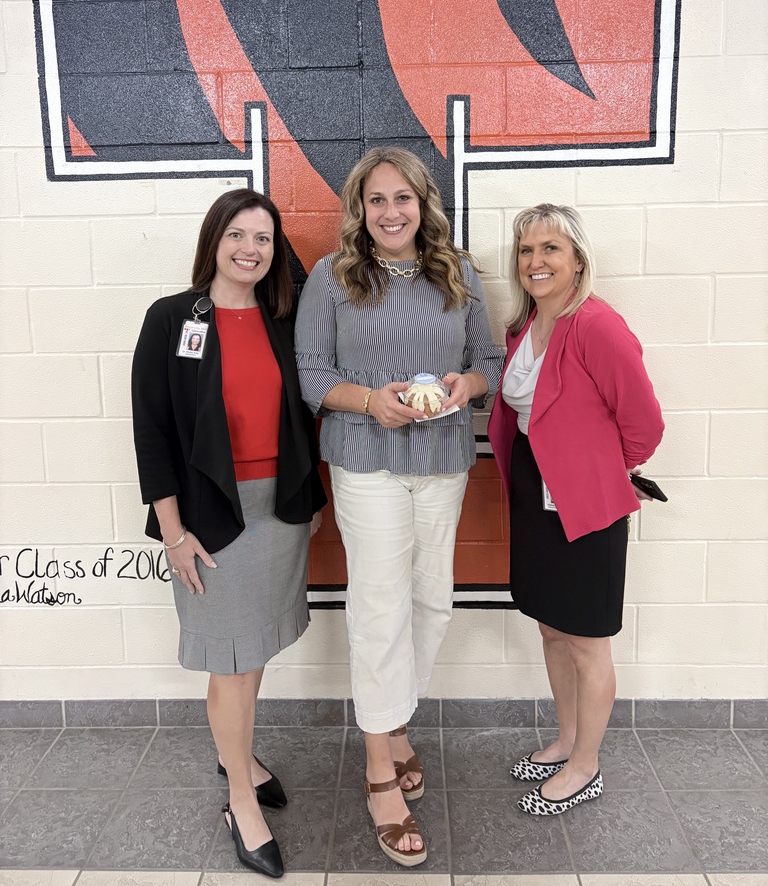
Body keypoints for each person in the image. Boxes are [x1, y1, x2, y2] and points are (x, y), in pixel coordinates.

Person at [295, 147, 502, 866]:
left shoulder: (459, 271)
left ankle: (396, 722)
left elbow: (493, 363)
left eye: (402, 199)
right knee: (380, 607)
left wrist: (464, 388)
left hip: (443, 460)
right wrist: (368, 401)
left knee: (432, 601)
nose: (390, 213)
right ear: (360, 208)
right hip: (366, 461)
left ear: (423, 203)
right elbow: (312, 373)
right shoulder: (332, 276)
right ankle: (379, 765)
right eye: (376, 200)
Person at [132, 188, 326, 878]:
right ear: (215, 240)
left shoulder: (282, 319)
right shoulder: (171, 320)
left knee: (255, 649)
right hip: (210, 517)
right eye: (238, 235)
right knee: (232, 662)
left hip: (278, 510)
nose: (251, 249)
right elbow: (152, 431)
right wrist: (173, 532)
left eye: (264, 239)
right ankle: (241, 799)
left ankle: (238, 754)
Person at [488, 203, 664, 816]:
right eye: (526, 251)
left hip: (585, 504)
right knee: (552, 627)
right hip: (536, 496)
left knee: (588, 641)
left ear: (577, 258)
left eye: (550, 249)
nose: (536, 261)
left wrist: (602, 475)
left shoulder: (596, 325)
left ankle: (587, 765)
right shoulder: (522, 328)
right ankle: (566, 739)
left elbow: (644, 425)